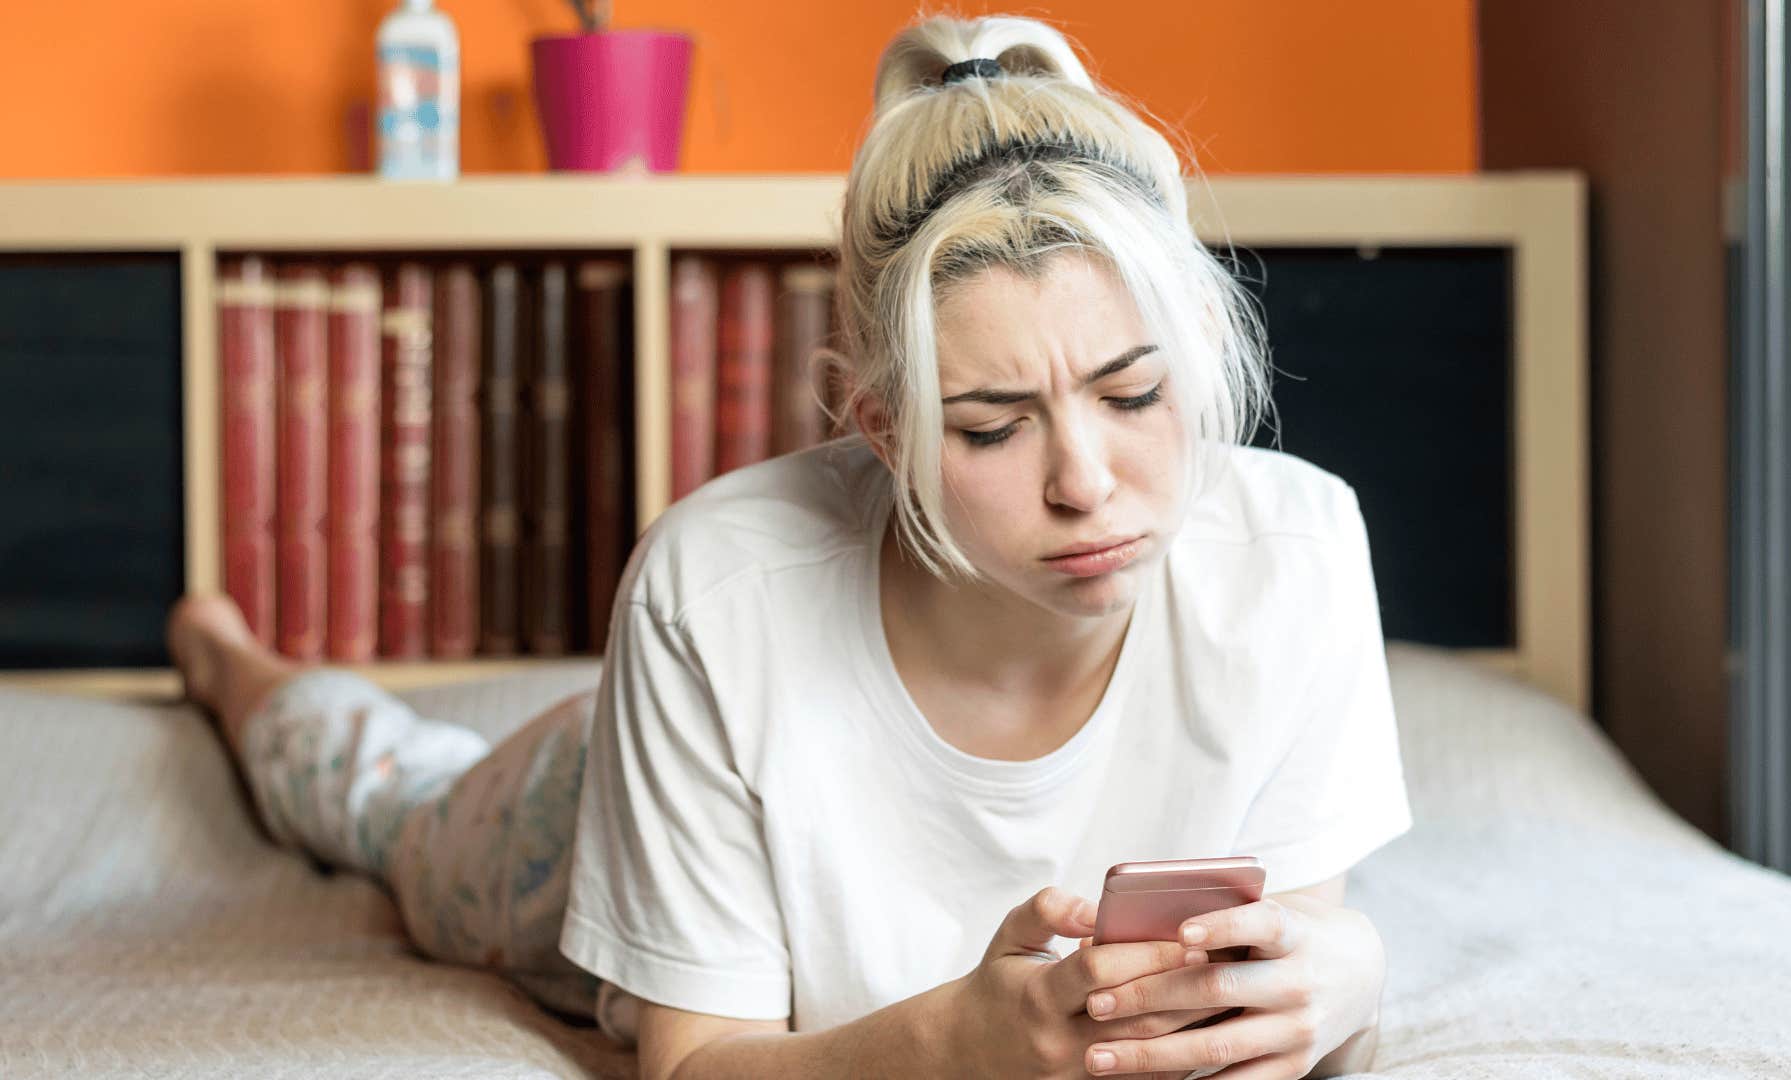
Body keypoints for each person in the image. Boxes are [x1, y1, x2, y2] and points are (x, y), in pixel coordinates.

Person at [167, 12, 1413, 1079]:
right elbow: (697, 1058)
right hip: (582, 801)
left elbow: (1300, 941)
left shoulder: (1294, 549)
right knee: (389, 799)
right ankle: (229, 663)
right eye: (990, 426)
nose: (1087, 484)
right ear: (881, 428)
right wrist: (960, 1047)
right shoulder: (715, 597)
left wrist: (1345, 975)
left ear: (1194, 347)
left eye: (1135, 396)